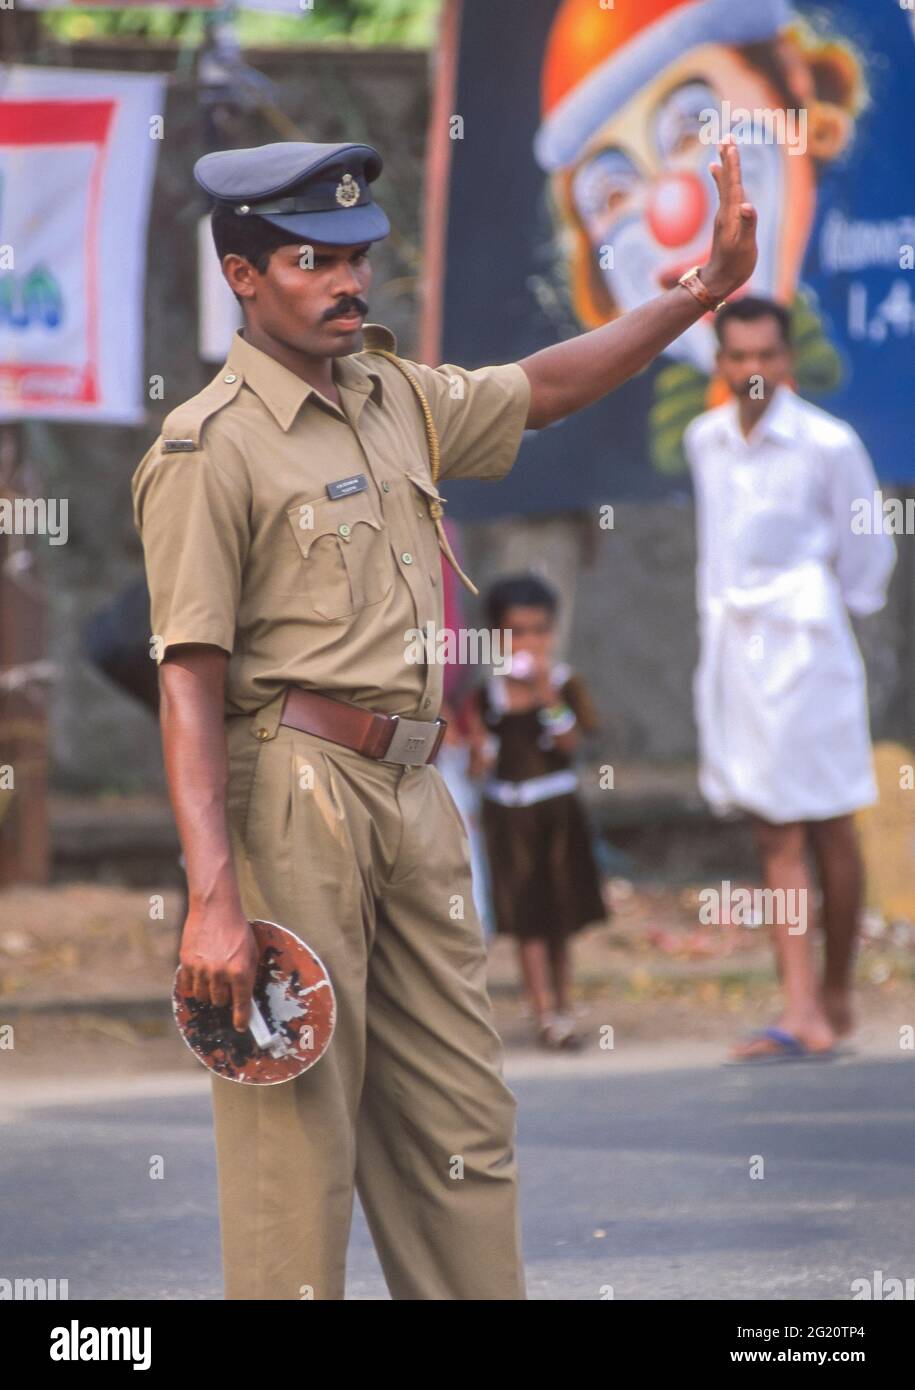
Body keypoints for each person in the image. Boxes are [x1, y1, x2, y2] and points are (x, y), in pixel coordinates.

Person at [130, 137, 756, 1299]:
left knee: (463, 1126)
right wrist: (212, 900)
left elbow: (549, 385)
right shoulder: (206, 449)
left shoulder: (394, 397)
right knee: (294, 1134)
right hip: (298, 795)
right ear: (244, 276)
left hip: (416, 796)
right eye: (314, 259)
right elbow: (189, 679)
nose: (347, 281)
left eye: (359, 255)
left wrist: (699, 292)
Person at [683, 296, 896, 1063]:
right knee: (772, 826)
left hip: (810, 649)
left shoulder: (826, 444)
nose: (752, 371)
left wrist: (819, 611)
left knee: (831, 820)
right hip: (738, 654)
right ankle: (801, 1007)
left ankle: (833, 991)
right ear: (719, 363)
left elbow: (867, 556)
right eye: (737, 357)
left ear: (787, 360)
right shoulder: (703, 439)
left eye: (766, 356)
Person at [467, 574, 605, 1050]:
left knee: (561, 914)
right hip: (511, 817)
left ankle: (564, 1003)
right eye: (515, 633)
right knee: (527, 917)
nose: (528, 643)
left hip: (558, 814)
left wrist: (546, 693)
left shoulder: (565, 685)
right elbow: (478, 759)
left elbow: (571, 742)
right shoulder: (489, 696)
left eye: (538, 631)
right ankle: (543, 1010)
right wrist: (478, 751)